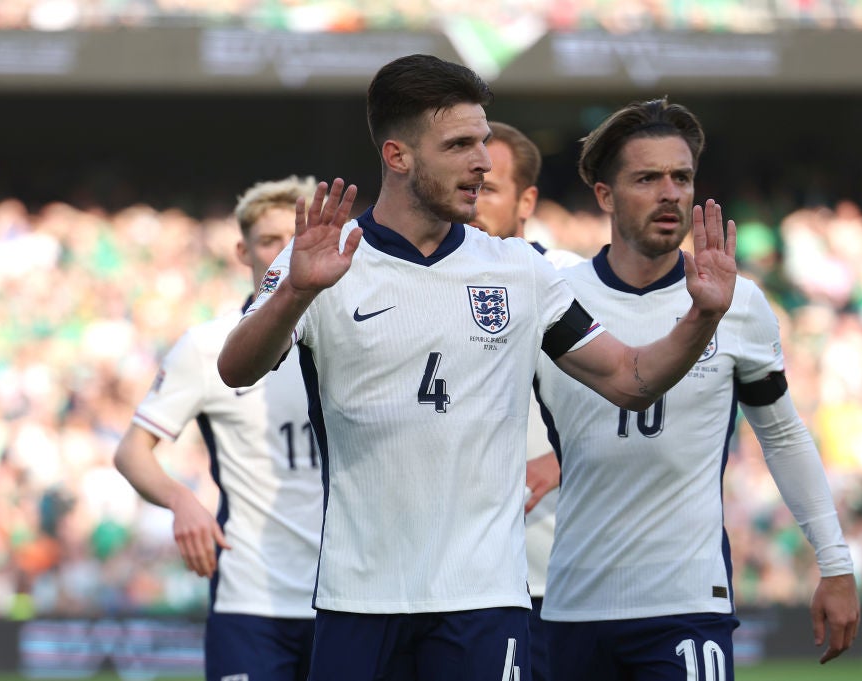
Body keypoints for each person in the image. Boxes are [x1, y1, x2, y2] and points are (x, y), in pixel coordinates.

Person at [216, 54, 736, 681]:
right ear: (398, 156)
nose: (483, 161)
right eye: (460, 144)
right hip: (359, 598)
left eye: (484, 140)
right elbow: (236, 368)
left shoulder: (520, 270)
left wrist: (701, 316)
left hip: (484, 604)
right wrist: (296, 293)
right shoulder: (327, 260)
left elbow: (628, 378)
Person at [532, 98, 861, 681]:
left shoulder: (740, 302)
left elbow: (781, 435)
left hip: (687, 605)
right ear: (605, 196)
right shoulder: (553, 299)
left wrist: (835, 564)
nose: (670, 193)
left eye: (681, 177)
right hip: (570, 605)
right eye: (647, 178)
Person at [113, 176, 324, 681]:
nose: (283, 251)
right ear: (241, 250)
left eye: (293, 236)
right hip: (249, 596)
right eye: (269, 240)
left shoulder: (349, 336)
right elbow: (131, 452)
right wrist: (183, 501)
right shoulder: (208, 347)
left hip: (346, 594)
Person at [473, 120, 582, 681]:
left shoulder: (570, 280)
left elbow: (647, 396)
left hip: (559, 577)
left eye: (489, 188)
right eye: (468, 185)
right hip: (465, 581)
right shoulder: (424, 280)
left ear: (527, 200)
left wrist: (564, 457)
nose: (473, 202)